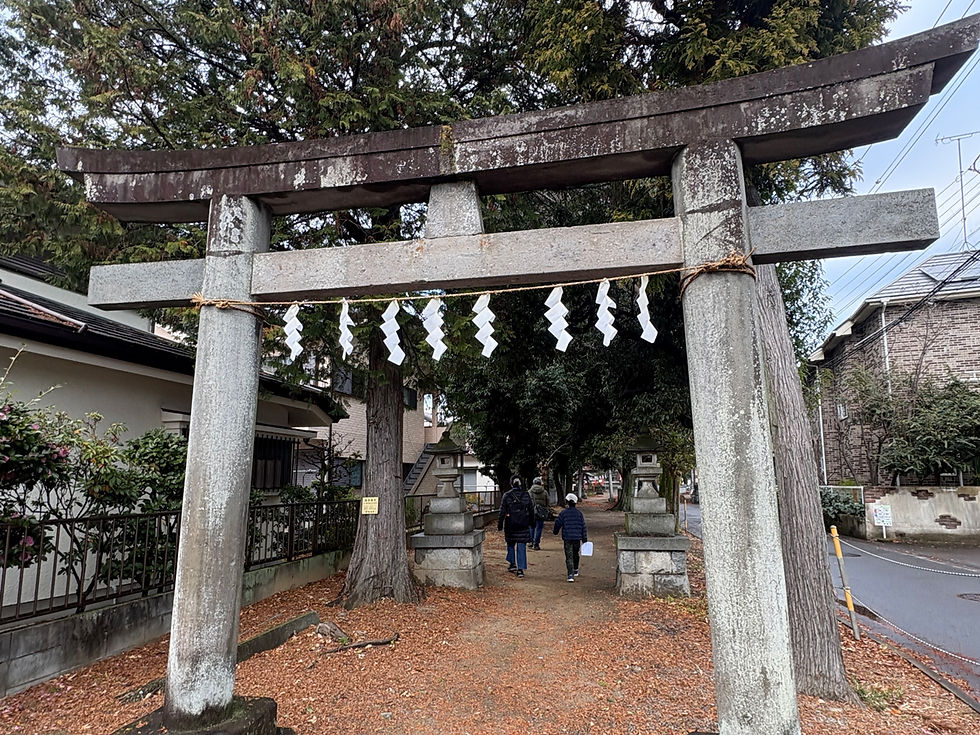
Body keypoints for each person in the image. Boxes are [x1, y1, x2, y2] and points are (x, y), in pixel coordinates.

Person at [498, 477, 534, 578]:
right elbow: (531, 509)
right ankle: (520, 569)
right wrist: (532, 522)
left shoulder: (507, 495)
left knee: (510, 544)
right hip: (523, 523)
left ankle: (512, 563)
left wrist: (500, 524)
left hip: (510, 524)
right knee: (521, 545)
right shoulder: (526, 495)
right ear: (520, 484)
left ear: (511, 484)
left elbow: (502, 511)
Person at [553, 492, 588, 582]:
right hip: (577, 538)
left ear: (567, 502)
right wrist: (584, 539)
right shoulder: (579, 514)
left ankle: (570, 574)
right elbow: (583, 527)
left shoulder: (564, 513)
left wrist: (555, 532)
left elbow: (558, 523)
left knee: (569, 556)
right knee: (576, 554)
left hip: (567, 537)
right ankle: (575, 569)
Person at [528, 476, 549, 550]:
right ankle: (536, 544)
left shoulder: (530, 491)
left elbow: (527, 502)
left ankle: (531, 542)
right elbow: (547, 502)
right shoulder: (544, 492)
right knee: (539, 528)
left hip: (532, 511)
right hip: (541, 512)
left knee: (531, 527)